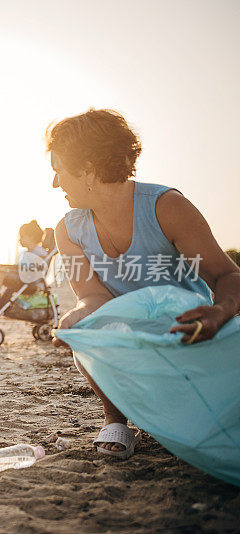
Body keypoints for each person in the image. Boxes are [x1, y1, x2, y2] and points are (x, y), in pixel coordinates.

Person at [47, 109, 240, 458]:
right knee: (89, 330)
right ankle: (115, 418)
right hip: (127, 342)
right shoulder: (69, 229)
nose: (55, 183)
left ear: (88, 170)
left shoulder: (167, 208)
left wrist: (219, 311)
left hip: (189, 334)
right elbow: (92, 297)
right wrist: (76, 317)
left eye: (58, 169)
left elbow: (228, 275)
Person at [0, 220, 51, 320]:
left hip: (30, 284)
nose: (19, 239)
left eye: (22, 236)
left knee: (0, 274)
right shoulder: (26, 252)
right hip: (21, 280)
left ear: (31, 237)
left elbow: (37, 272)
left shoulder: (40, 253)